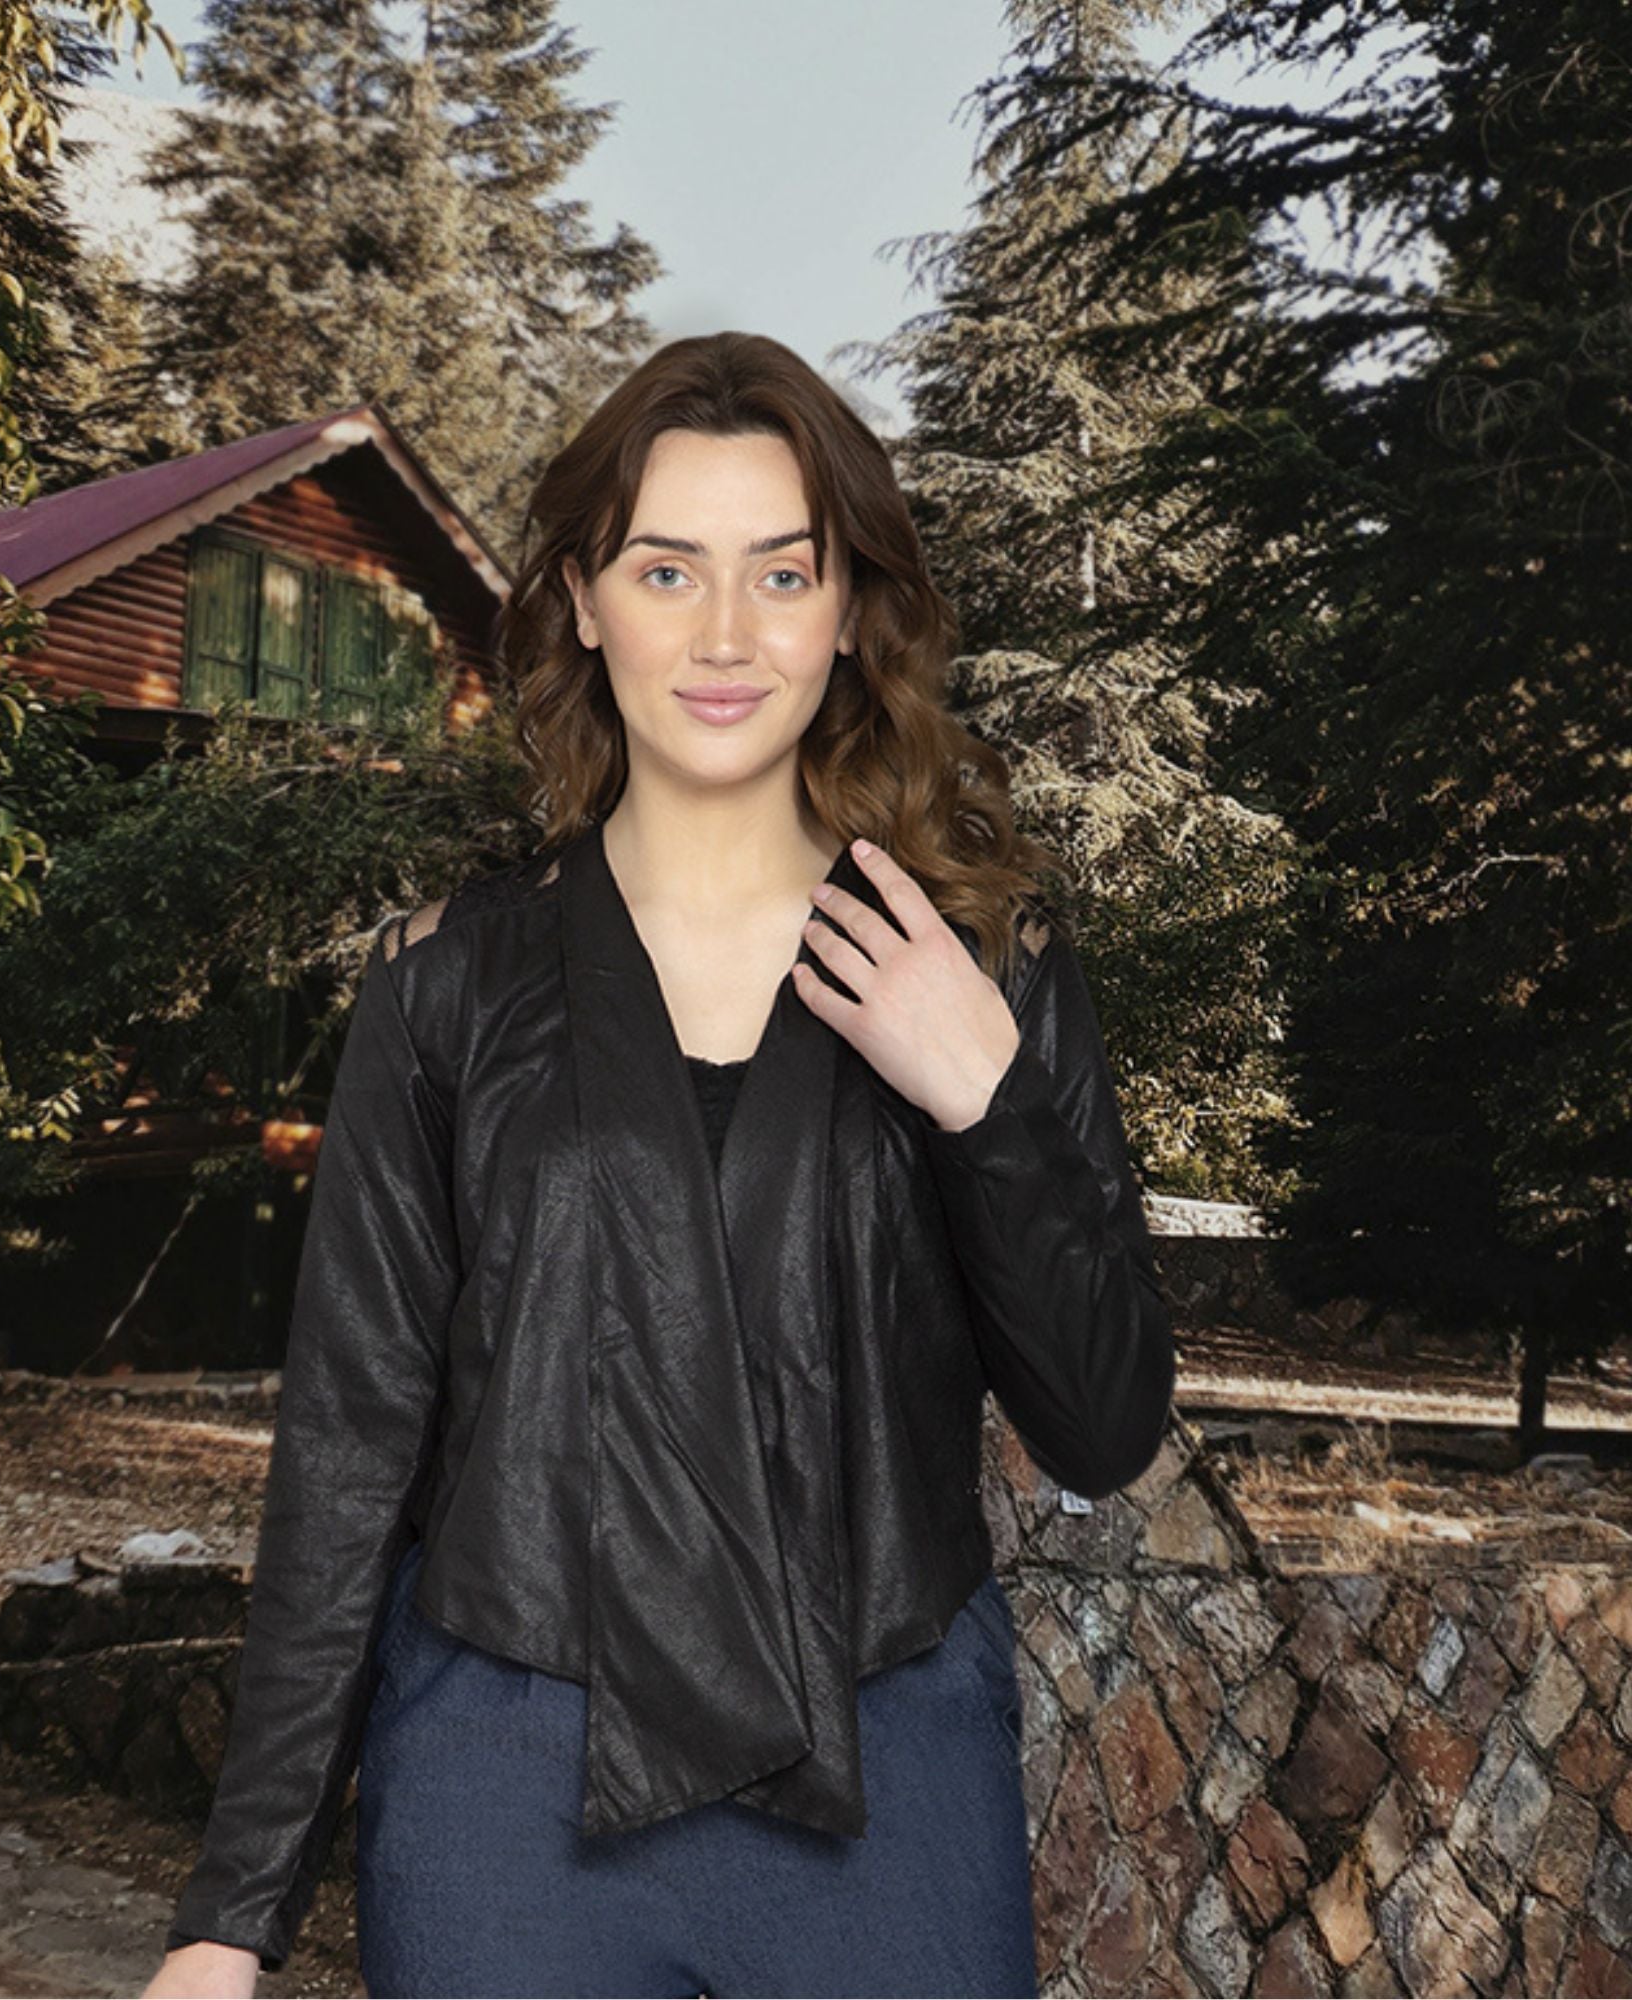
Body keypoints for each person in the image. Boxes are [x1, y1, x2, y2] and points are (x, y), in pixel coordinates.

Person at [145, 330, 1176, 1999]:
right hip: (507, 1778)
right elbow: (349, 1455)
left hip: (891, 1758)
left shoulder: (985, 962)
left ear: (850, 611)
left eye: (784, 573)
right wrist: (229, 1916)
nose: (724, 635)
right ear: (581, 599)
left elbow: (1106, 1426)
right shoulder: (442, 985)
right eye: (667, 569)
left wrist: (987, 1101)